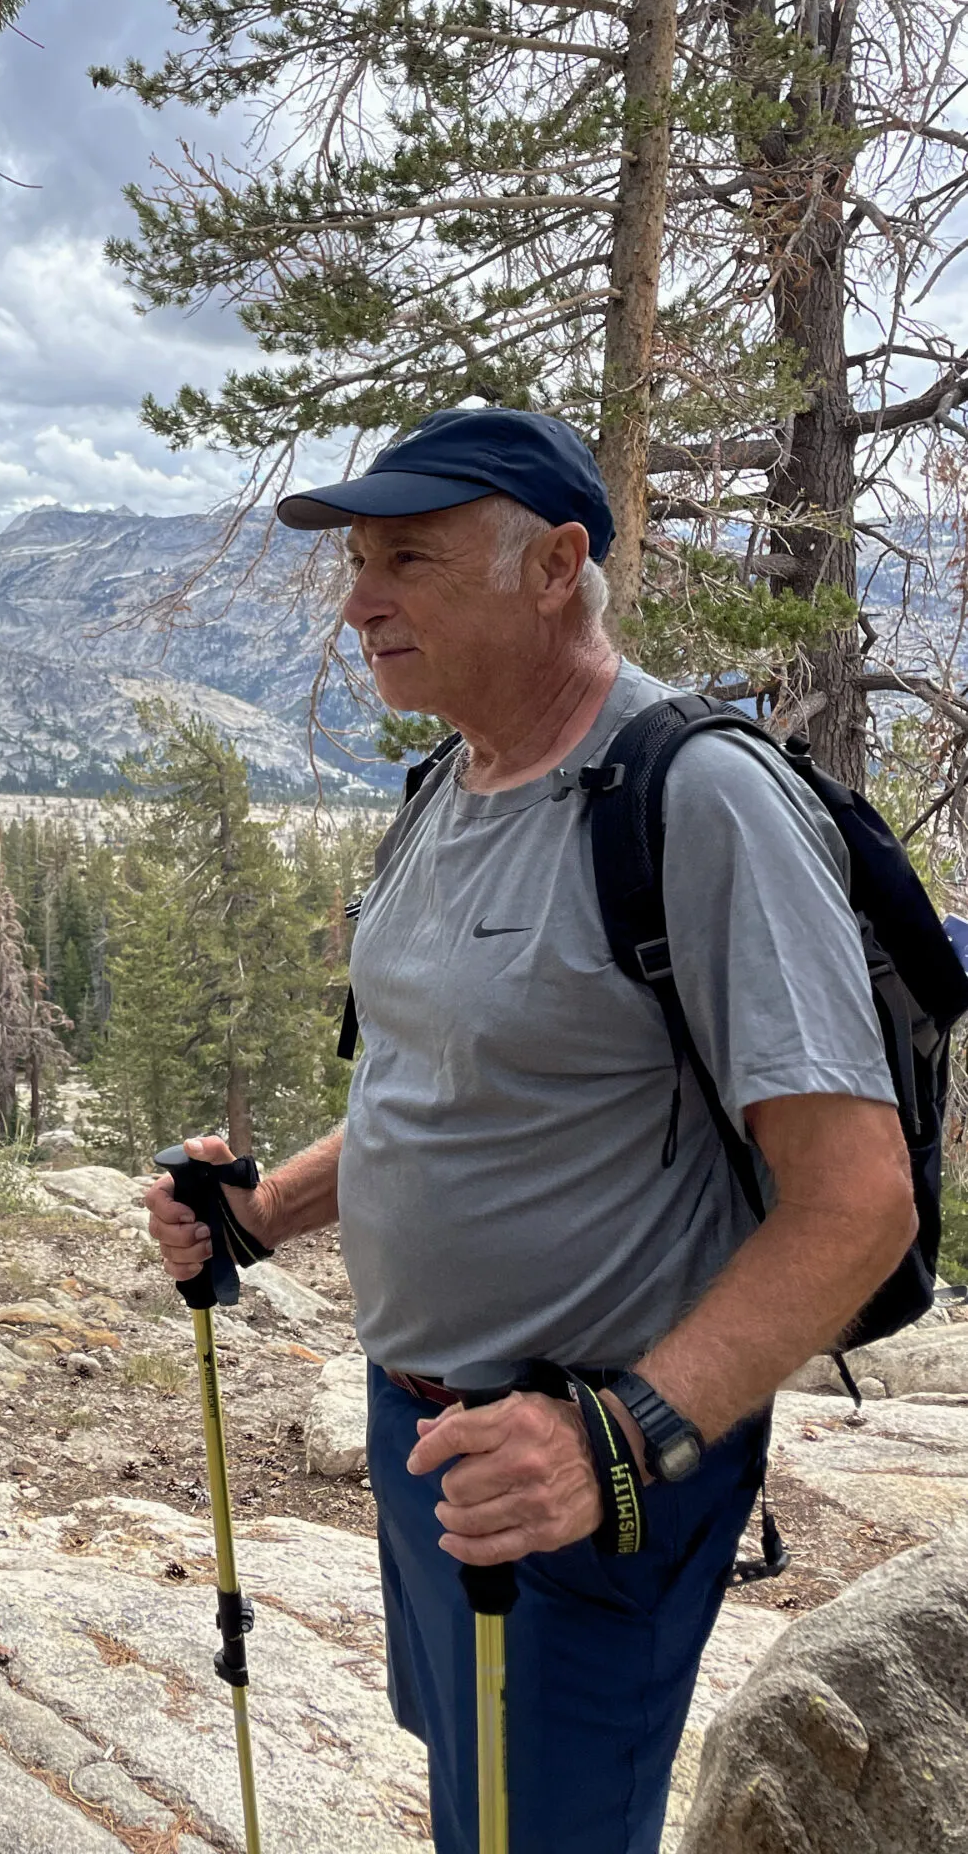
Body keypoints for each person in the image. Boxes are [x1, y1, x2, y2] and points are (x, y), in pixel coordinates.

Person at [144, 407, 915, 1854]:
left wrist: (620, 1438)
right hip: (428, 1432)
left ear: (557, 567)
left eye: (410, 560)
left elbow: (858, 1199)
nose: (359, 602)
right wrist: (262, 1213)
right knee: (474, 1799)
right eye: (357, 562)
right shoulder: (452, 779)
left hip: (582, 1467)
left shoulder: (698, 800)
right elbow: (449, 1091)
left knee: (545, 1828)